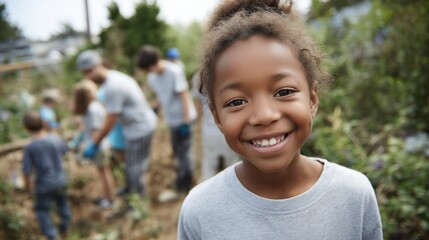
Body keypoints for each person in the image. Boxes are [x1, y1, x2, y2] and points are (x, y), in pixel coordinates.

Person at [178, 1, 383, 239]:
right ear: (216, 117)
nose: (265, 116)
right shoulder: (199, 211)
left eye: (284, 92)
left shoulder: (354, 195)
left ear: (312, 99)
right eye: (236, 102)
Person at [76, 50, 157, 198]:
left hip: (139, 128)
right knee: (130, 164)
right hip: (134, 125)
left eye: (90, 71)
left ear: (99, 65)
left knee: (135, 168)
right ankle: (131, 190)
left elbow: (110, 119)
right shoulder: (111, 79)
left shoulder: (113, 86)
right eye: (84, 73)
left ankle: (137, 201)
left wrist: (95, 143)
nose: (88, 76)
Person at [137, 45, 197, 193]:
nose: (149, 72)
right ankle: (182, 177)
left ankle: (186, 184)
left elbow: (184, 96)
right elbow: (162, 94)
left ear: (156, 62)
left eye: (150, 68)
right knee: (177, 151)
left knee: (185, 152)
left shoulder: (174, 71)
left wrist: (186, 121)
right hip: (171, 119)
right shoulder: (152, 77)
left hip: (184, 118)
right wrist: (155, 107)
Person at [22, 111, 71, 240]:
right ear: (44, 124)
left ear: (26, 128)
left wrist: (28, 186)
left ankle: (52, 235)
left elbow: (26, 171)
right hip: (61, 180)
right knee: (63, 203)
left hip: (44, 185)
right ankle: (65, 228)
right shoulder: (55, 139)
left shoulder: (30, 147)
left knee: (42, 210)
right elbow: (65, 150)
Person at [71, 80, 116, 208]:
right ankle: (107, 197)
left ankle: (110, 200)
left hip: (99, 146)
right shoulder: (91, 108)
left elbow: (96, 132)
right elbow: (85, 127)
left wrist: (92, 147)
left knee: (104, 173)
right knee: (103, 173)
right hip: (97, 145)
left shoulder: (93, 109)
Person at [191, 72, 238, 181]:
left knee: (209, 163)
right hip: (228, 125)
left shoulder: (198, 78)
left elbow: (198, 105)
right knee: (232, 163)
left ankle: (208, 193)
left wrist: (198, 124)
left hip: (208, 127)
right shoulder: (228, 72)